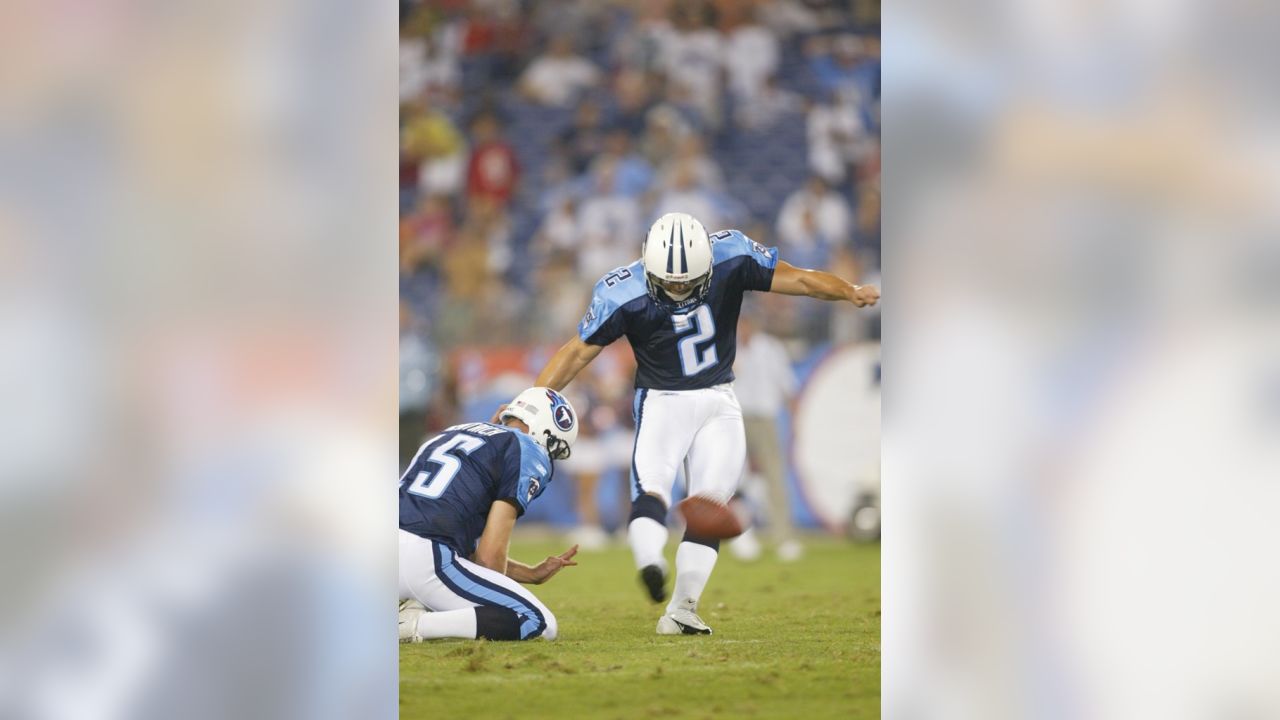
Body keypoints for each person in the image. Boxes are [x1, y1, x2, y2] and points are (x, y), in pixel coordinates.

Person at [533, 212, 879, 635]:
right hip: (666, 401)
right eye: (670, 282)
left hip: (716, 400)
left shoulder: (729, 255)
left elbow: (799, 279)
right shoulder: (625, 288)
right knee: (654, 487)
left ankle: (681, 608)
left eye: (687, 281)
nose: (678, 290)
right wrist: (530, 401)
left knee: (709, 505)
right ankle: (651, 564)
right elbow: (578, 352)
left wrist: (849, 291)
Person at [398, 387, 581, 642]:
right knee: (538, 621)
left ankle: (415, 604)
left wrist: (528, 574)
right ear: (544, 430)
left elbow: (449, 533)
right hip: (427, 560)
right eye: (554, 448)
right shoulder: (527, 449)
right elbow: (489, 557)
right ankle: (415, 625)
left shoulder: (452, 432)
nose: (550, 456)